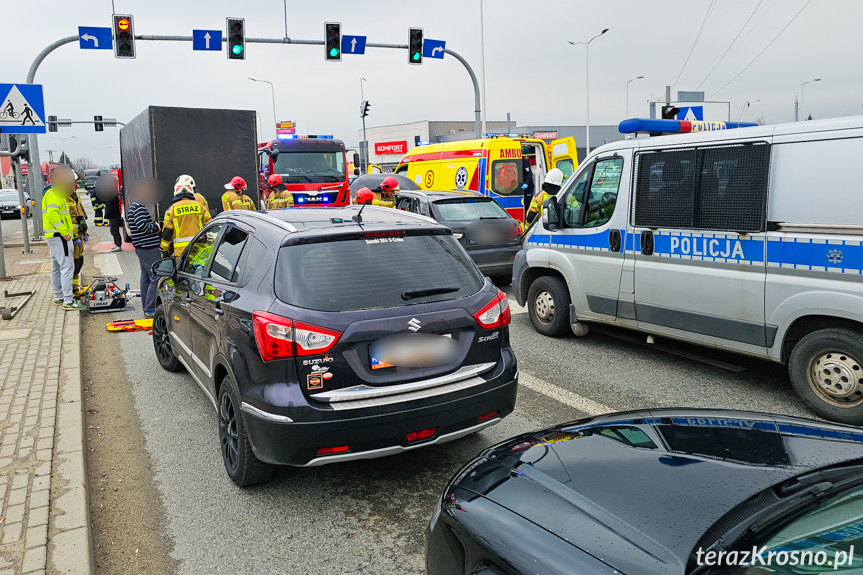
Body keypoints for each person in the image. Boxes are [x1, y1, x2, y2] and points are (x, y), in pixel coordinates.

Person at [42, 166, 86, 311]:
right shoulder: (56, 194)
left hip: (53, 236)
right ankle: (68, 300)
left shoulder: (51, 193)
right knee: (67, 267)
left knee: (56, 267)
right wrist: (65, 232)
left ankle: (59, 296)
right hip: (59, 236)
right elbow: (52, 215)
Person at [128, 179, 163, 318]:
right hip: (148, 247)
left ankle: (146, 306)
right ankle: (150, 309)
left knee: (146, 278)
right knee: (156, 276)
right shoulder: (139, 207)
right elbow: (142, 225)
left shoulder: (134, 206)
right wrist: (156, 227)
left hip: (142, 247)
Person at [161, 181, 212, 258]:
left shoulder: (171, 210)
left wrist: (164, 250)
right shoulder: (200, 207)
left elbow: (167, 233)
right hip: (200, 249)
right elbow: (209, 225)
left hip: (181, 252)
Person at [64, 185, 88, 297]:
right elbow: (67, 218)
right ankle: (69, 290)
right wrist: (75, 235)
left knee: (79, 261)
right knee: (72, 263)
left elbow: (80, 214)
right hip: (72, 236)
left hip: (79, 235)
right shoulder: (65, 197)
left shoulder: (76, 196)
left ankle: (75, 287)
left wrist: (84, 233)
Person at [101, 177, 124, 252]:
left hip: (114, 216)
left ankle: (118, 245)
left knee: (114, 231)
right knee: (114, 231)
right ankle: (117, 244)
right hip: (114, 216)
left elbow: (109, 207)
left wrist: (107, 215)